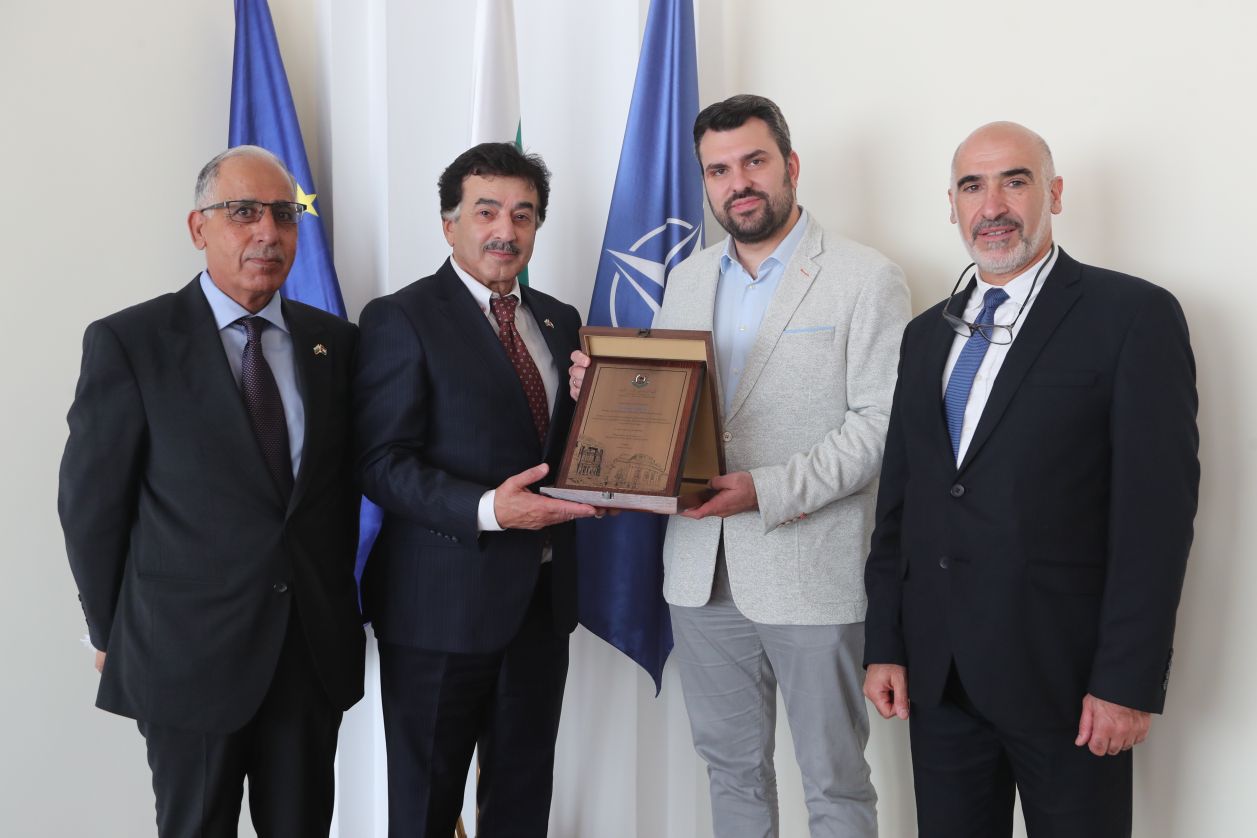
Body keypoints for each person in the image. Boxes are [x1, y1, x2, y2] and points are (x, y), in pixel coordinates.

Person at [572, 94, 910, 837]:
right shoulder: (687, 280)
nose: (738, 183)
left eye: (754, 161)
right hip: (699, 570)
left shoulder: (866, 277)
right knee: (730, 772)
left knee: (834, 781)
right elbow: (672, 410)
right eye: (718, 170)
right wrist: (605, 391)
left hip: (809, 569)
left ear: (790, 165)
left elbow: (880, 427)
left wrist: (766, 489)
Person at [862, 121, 1199, 838]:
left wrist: (1125, 682)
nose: (992, 206)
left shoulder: (1132, 316)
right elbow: (902, 504)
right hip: (940, 680)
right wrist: (885, 641)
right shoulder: (925, 335)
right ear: (951, 205)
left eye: (1014, 181)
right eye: (971, 187)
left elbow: (1155, 521)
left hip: (1068, 685)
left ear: (1054, 193)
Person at [58, 145, 365, 837]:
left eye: (283, 215)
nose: (267, 232)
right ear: (198, 228)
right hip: (185, 658)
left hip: (308, 656)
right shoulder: (131, 342)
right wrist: (109, 632)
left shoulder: (335, 346)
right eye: (243, 212)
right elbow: (91, 507)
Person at [354, 142, 597, 837]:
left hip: (541, 606)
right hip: (438, 611)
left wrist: (597, 401)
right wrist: (490, 509)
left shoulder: (558, 318)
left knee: (522, 804)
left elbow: (562, 447)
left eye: (523, 215)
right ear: (448, 224)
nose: (505, 231)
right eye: (486, 211)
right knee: (424, 809)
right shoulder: (400, 317)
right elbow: (380, 463)